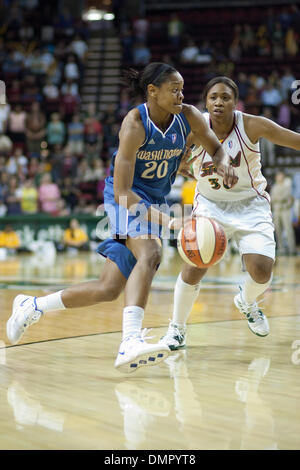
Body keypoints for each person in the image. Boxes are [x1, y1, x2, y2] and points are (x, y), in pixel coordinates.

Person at [6, 62, 236, 373]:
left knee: (109, 288)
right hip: (123, 198)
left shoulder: (189, 116)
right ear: (152, 92)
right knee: (151, 252)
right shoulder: (134, 124)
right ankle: (129, 340)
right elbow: (125, 194)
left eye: (182, 89)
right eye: (174, 90)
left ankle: (31, 306)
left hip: (154, 198)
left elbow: (216, 148)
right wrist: (168, 222)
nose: (181, 95)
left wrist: (222, 164)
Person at [159, 75, 300, 350]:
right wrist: (180, 165)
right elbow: (168, 157)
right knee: (196, 266)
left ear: (236, 102)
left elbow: (294, 140)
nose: (219, 102)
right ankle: (176, 329)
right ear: (206, 102)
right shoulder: (192, 126)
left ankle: (246, 301)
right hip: (210, 204)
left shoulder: (251, 124)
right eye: (213, 97)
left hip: (251, 203)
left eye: (226, 97)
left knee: (262, 271)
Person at [270, 171, 296, 255]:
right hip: (277, 211)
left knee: (288, 229)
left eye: (281, 175)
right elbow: (272, 198)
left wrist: (279, 199)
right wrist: (279, 199)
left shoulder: (287, 186)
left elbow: (287, 197)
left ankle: (292, 249)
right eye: (278, 176)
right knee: (278, 230)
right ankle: (281, 249)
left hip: (285, 210)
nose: (279, 177)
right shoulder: (274, 187)